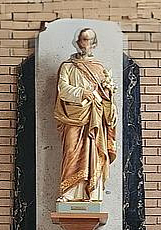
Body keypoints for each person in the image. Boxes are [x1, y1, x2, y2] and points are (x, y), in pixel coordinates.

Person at [54, 26, 117, 203]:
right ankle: (69, 192)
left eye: (88, 40)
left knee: (94, 151)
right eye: (82, 39)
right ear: (77, 42)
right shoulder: (67, 67)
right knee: (71, 150)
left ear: (94, 44)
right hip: (73, 116)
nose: (85, 43)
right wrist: (82, 92)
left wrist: (109, 101)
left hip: (94, 116)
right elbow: (63, 89)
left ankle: (92, 191)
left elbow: (106, 97)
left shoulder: (99, 69)